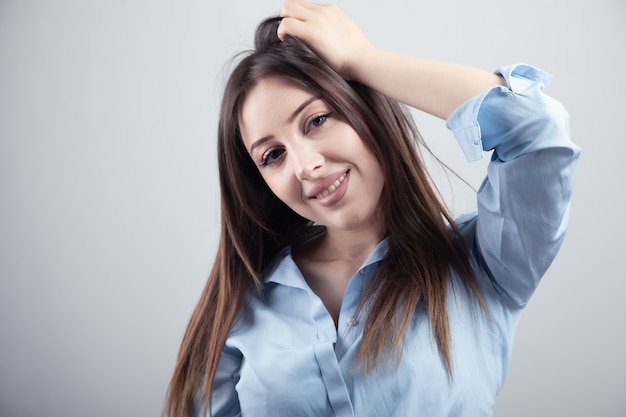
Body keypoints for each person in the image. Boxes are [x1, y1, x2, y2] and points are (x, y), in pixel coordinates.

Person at [163, 1, 580, 416]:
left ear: (362, 109)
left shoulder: (485, 263)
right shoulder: (242, 304)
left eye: (317, 120)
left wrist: (363, 61)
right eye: (273, 155)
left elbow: (536, 126)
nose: (305, 166)